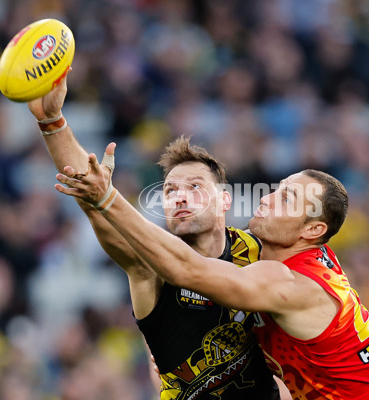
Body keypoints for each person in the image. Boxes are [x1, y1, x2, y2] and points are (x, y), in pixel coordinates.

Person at [55, 143, 369, 399]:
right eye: (277, 189)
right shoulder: (295, 254)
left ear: (311, 231)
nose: (267, 198)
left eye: (287, 199)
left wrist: (106, 198)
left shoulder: (292, 284)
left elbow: (184, 269)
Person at [27, 75, 289, 399]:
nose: (179, 197)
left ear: (224, 200)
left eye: (195, 187)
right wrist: (52, 122)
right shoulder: (150, 267)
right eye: (169, 190)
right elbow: (95, 204)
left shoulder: (261, 251)